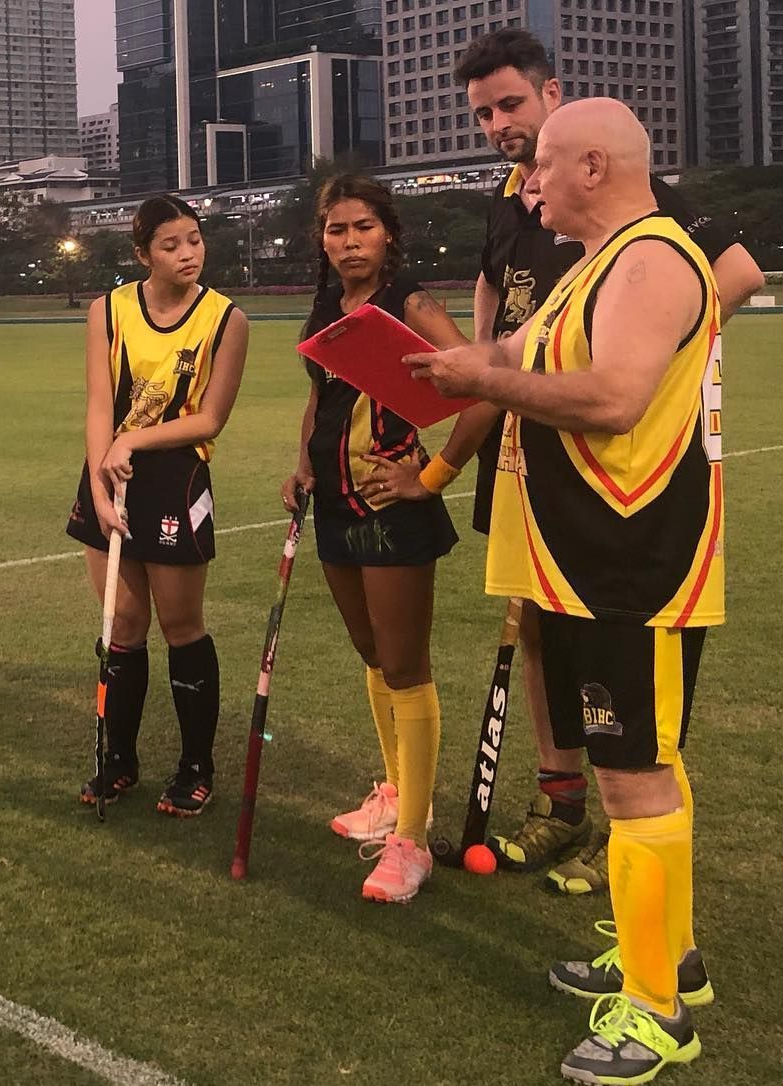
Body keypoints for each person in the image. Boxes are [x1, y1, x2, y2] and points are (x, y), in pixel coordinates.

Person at [408, 97, 725, 1084]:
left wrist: (485, 381)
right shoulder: (595, 265)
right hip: (591, 564)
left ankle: (657, 1012)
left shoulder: (654, 259)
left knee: (636, 778)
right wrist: (443, 365)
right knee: (639, 767)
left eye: (541, 165)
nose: (527, 183)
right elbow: (516, 355)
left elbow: (614, 395)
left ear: (593, 165)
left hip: (639, 566)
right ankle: (661, 958)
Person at [454, 28, 764, 894]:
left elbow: (727, 277)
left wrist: (664, 349)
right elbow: (499, 295)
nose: (497, 125)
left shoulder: (637, 216)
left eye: (510, 104)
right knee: (552, 638)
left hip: (625, 494)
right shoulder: (524, 206)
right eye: (482, 112)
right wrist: (483, 358)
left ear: (556, 101)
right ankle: (568, 809)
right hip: (541, 466)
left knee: (639, 739)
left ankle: (643, 908)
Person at [280, 175, 473, 905]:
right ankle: (395, 793)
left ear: (387, 233)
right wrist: (301, 462)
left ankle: (413, 841)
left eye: (363, 227)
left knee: (405, 665)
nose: (349, 241)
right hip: (334, 503)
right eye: (336, 230)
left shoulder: (409, 302)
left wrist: (436, 472)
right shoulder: (329, 304)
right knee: (371, 655)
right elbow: (319, 395)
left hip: (393, 503)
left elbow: (481, 385)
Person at [66, 195, 248, 817]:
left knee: (181, 627)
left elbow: (211, 417)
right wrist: (96, 481)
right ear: (143, 254)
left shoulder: (226, 319)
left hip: (175, 475)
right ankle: (119, 762)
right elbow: (97, 402)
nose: (188, 254)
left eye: (194, 240)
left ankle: (197, 766)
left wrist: (132, 439)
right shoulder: (108, 310)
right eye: (170, 245)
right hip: (108, 474)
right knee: (121, 626)